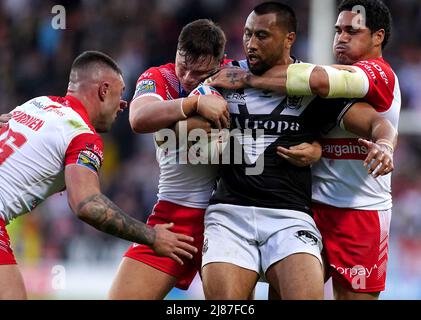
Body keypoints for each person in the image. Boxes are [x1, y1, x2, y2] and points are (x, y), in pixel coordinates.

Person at [201, 2, 396, 300]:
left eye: (351, 31)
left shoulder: (349, 79)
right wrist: (198, 131)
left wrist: (384, 145)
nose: (341, 38)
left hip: (355, 212)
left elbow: (374, 122)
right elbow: (181, 116)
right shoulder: (226, 77)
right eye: (247, 34)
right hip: (304, 205)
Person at [0, 51, 197, 300]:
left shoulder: (38, 104)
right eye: (121, 92)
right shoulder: (82, 135)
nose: (123, 104)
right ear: (104, 90)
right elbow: (87, 204)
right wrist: (152, 236)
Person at [108, 19, 233, 300]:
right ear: (176, 51)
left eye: (199, 72)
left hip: (229, 217)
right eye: (183, 66)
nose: (187, 78)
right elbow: (139, 118)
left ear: (219, 61)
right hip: (175, 217)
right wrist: (193, 103)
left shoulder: (236, 76)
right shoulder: (159, 77)